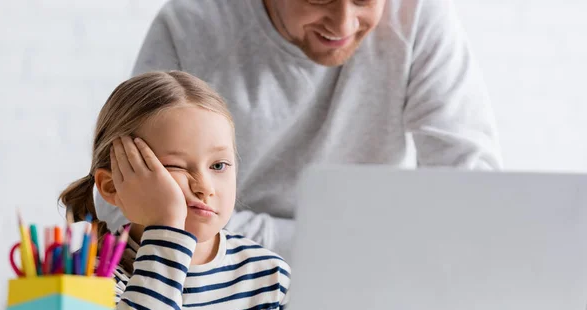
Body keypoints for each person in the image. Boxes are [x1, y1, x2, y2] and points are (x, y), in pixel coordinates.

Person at [95, 0, 502, 261]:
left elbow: (470, 189)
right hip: (220, 278)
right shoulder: (189, 25)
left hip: (367, 282)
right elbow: (128, 202)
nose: (343, 22)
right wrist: (354, 246)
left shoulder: (417, 16)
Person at [60, 71, 291, 310]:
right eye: (175, 167)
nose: (205, 186)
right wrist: (168, 227)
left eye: (218, 165)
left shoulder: (271, 276)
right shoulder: (93, 278)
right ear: (112, 186)